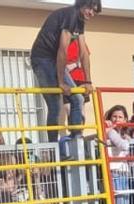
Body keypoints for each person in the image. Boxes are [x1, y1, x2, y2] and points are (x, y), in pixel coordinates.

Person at [31, 0, 99, 142]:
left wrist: (88, 81)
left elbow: (84, 53)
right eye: (90, 9)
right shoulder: (70, 15)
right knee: (55, 105)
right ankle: (52, 146)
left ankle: (76, 139)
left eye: (95, 11)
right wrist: (61, 81)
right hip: (43, 59)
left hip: (53, 60)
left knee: (78, 98)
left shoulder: (80, 22)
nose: (92, 13)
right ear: (82, 4)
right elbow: (63, 50)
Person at [103, 105, 131, 204]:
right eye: (114, 116)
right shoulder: (110, 131)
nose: (117, 119)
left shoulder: (121, 133)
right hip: (115, 174)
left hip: (123, 173)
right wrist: (127, 140)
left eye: (120, 117)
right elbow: (124, 146)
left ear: (125, 120)